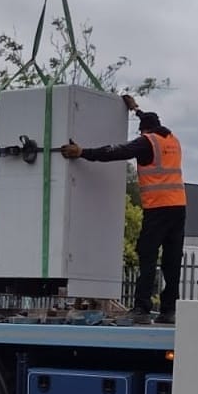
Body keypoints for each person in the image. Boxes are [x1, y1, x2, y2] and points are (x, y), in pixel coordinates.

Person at [63, 97, 186, 325]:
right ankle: (169, 310)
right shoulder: (172, 140)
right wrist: (136, 110)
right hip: (178, 207)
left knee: (147, 256)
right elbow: (150, 122)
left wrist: (82, 152)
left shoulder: (146, 142)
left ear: (144, 131)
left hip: (158, 207)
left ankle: (141, 308)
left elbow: (115, 152)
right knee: (172, 261)